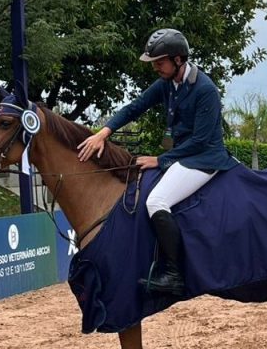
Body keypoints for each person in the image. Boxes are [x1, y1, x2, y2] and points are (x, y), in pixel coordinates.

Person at [76, 28, 237, 295]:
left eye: (159, 62)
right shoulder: (167, 83)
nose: (155, 68)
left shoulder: (205, 89)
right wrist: (104, 133)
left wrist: (161, 160)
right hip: (184, 156)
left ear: (178, 60)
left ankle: (174, 274)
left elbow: (200, 140)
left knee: (156, 201)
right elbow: (135, 107)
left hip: (204, 158)